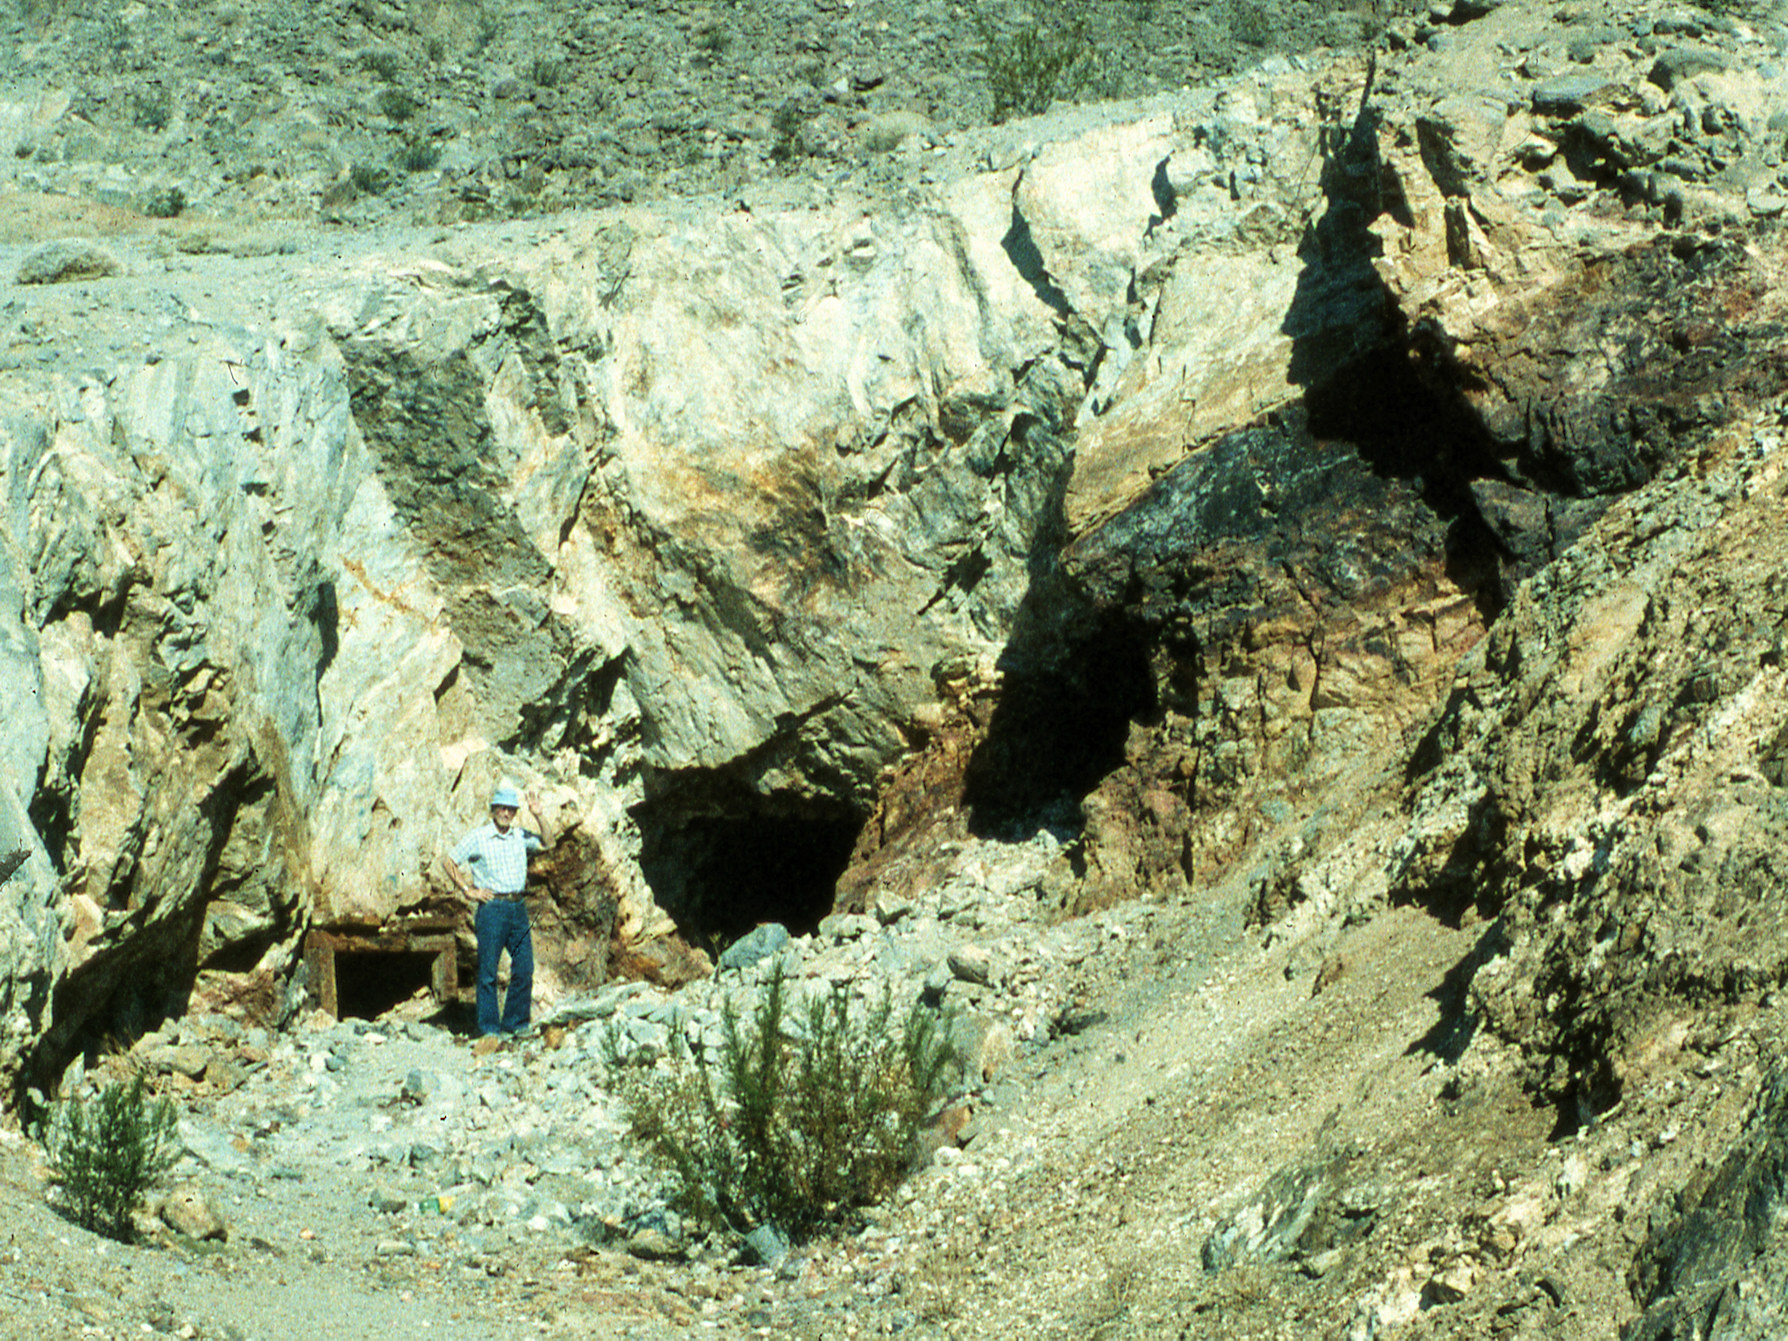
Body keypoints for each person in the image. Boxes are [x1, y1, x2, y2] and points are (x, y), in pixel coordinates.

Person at [444, 783, 555, 1037]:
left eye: (511, 809)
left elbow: (549, 843)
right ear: (493, 809)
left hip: (518, 907)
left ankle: (515, 1024)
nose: (506, 813)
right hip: (492, 909)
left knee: (525, 967)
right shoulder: (479, 837)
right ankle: (489, 1030)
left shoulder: (519, 836)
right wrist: (467, 889)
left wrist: (538, 814)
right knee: (488, 971)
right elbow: (448, 860)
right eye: (502, 808)